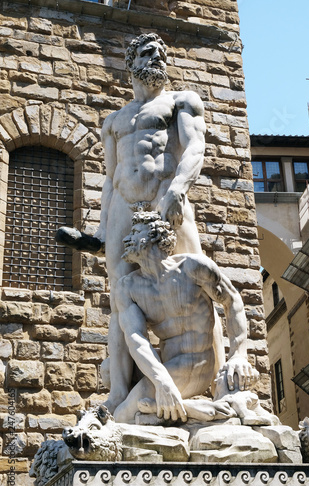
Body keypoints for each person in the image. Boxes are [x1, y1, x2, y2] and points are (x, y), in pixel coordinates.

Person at [90, 32, 226, 413]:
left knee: (198, 284)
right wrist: (102, 228)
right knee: (120, 296)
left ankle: (218, 384)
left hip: (165, 197)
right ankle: (119, 392)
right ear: (131, 61)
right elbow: (110, 176)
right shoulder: (114, 121)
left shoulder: (182, 101)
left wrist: (179, 190)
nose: (158, 58)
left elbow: (196, 147)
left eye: (162, 53)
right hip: (122, 207)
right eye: (149, 52)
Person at [113, 212, 258, 424]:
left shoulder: (193, 267)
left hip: (200, 364)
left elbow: (232, 300)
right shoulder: (128, 287)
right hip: (167, 369)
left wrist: (239, 354)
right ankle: (194, 410)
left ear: (154, 235)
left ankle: (170, 409)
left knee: (123, 417)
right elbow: (136, 339)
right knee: (118, 399)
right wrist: (162, 382)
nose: (126, 239)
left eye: (134, 233)